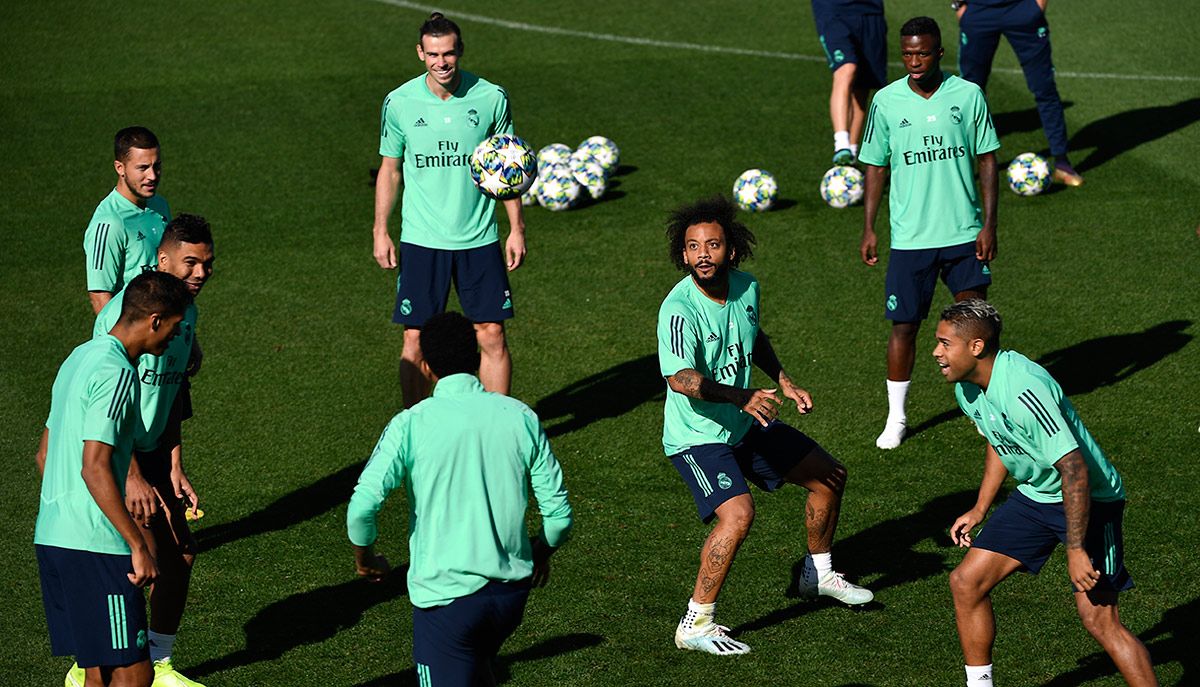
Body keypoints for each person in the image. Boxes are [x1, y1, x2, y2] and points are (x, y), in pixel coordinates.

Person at [657, 196, 873, 656]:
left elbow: (753, 337)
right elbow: (680, 379)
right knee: (737, 515)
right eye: (693, 247)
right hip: (697, 436)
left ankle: (818, 574)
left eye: (712, 245)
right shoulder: (679, 309)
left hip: (743, 420)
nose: (702, 255)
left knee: (829, 476)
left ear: (731, 250)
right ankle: (696, 622)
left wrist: (783, 380)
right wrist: (742, 396)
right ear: (683, 255)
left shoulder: (747, 287)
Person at [935, 299, 1158, 687]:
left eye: (944, 343)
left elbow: (1074, 469)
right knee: (966, 582)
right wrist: (980, 507)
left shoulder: (1024, 388)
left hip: (1090, 500)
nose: (936, 353)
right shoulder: (968, 389)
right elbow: (1000, 439)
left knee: (1099, 620)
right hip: (1038, 494)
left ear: (976, 347)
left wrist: (1075, 549)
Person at [346, 312, 573, 684]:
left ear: (426, 366)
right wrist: (540, 552)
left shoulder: (410, 424)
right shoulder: (520, 417)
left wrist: (365, 559)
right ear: (477, 356)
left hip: (446, 604)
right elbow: (560, 519)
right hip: (510, 600)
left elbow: (361, 509)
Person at [35, 271, 193, 687]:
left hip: (53, 537)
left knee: (99, 675)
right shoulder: (118, 372)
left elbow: (44, 454)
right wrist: (137, 545)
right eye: (175, 326)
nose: (177, 338)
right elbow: (95, 466)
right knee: (134, 676)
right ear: (155, 320)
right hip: (97, 547)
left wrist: (70, 516)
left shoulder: (78, 358)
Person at [78, 215, 216, 687]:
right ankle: (96, 665)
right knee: (143, 561)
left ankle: (158, 663)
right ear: (163, 259)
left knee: (181, 555)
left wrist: (175, 464)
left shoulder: (185, 312)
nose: (201, 273)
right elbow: (108, 403)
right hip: (117, 454)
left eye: (207, 263)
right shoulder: (126, 316)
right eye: (190, 262)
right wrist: (133, 475)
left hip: (154, 452)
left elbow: (173, 389)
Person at [372, 12, 527, 408]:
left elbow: (506, 166)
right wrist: (380, 230)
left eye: (449, 53)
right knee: (415, 338)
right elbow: (390, 170)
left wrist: (516, 228)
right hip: (422, 238)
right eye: (433, 54)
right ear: (420, 53)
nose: (441, 62)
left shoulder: (491, 97)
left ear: (460, 51)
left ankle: (497, 422)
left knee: (491, 333)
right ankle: (417, 425)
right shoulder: (399, 102)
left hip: (479, 237)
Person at [858, 16, 1000, 450]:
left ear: (939, 52)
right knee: (904, 327)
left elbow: (987, 160)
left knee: (975, 325)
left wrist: (989, 224)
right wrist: (869, 227)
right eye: (907, 54)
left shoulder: (968, 95)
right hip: (911, 239)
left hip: (963, 234)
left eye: (922, 53)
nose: (914, 62)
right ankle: (897, 418)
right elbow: (876, 166)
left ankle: (984, 411)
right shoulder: (886, 101)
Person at [954, 0, 1085, 186]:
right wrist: (958, 6)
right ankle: (961, 168)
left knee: (1044, 88)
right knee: (969, 93)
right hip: (978, 12)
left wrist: (1036, 6)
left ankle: (1062, 164)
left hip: (1022, 9)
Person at [84, 127, 171, 315]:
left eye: (157, 166)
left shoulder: (160, 205)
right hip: (133, 329)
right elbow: (99, 296)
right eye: (143, 168)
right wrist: (125, 333)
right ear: (120, 168)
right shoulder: (109, 223)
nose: (153, 176)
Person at [810, 0, 888, 165]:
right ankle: (841, 143)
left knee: (863, 85)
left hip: (871, 10)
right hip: (834, 9)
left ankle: (850, 156)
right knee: (846, 68)